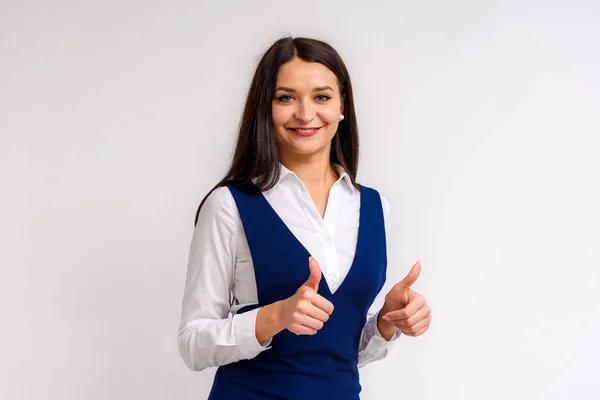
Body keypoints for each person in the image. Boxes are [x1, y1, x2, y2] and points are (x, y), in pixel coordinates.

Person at [177, 36, 432, 399]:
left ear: (343, 105)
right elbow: (193, 343)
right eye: (286, 97)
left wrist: (386, 323)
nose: (305, 113)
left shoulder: (375, 208)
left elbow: (343, 352)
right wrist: (275, 316)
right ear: (266, 108)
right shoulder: (230, 205)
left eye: (322, 97)